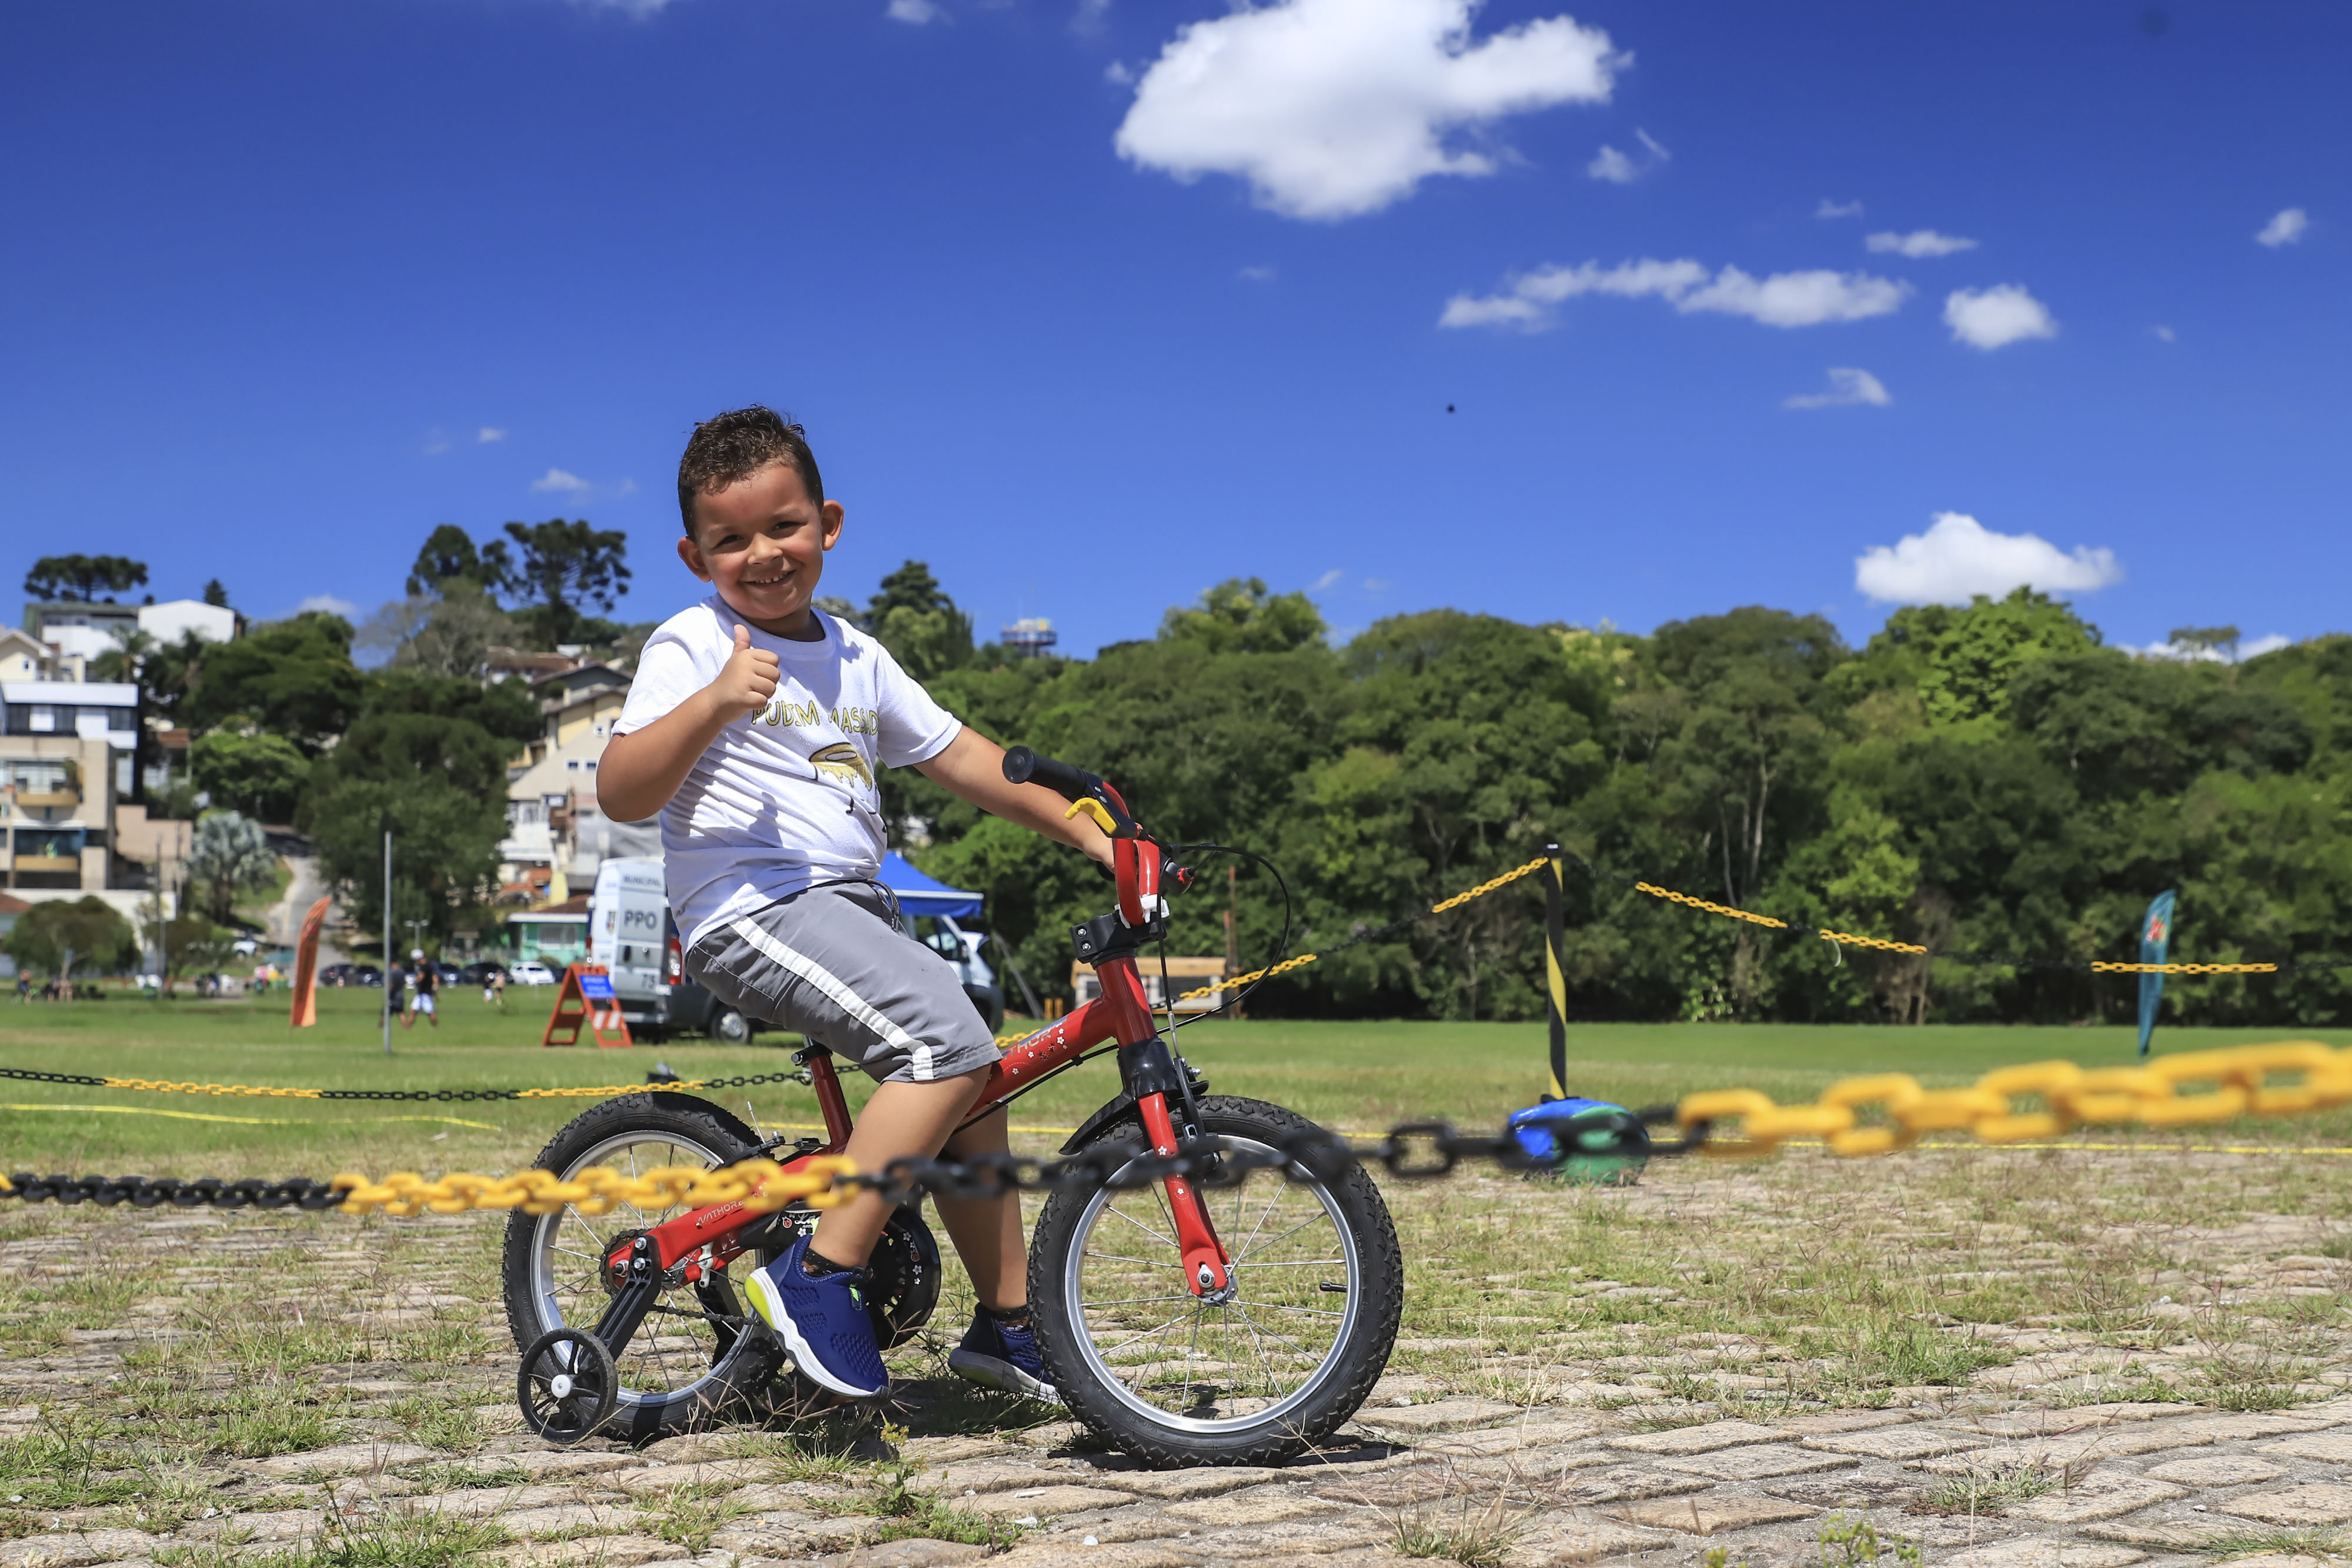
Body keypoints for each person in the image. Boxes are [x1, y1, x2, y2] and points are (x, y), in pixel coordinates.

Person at [599, 406, 1111, 1405]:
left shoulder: (859, 656)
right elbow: (622, 791)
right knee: (946, 1042)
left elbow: (969, 760)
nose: (762, 554)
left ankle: (1009, 1328)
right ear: (692, 554)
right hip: (749, 907)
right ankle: (819, 1273)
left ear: (828, 522)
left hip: (853, 907)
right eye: (730, 540)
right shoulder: (693, 640)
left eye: (783, 526)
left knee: (974, 1072)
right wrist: (708, 703)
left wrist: (1092, 830)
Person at [405, 948, 439, 1029]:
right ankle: (406, 1028)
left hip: (425, 994)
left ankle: (436, 1027)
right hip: (420, 994)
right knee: (413, 1011)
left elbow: (421, 977)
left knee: (430, 1012)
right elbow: (435, 977)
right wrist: (436, 986)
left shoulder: (424, 967)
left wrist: (414, 981)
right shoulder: (429, 966)